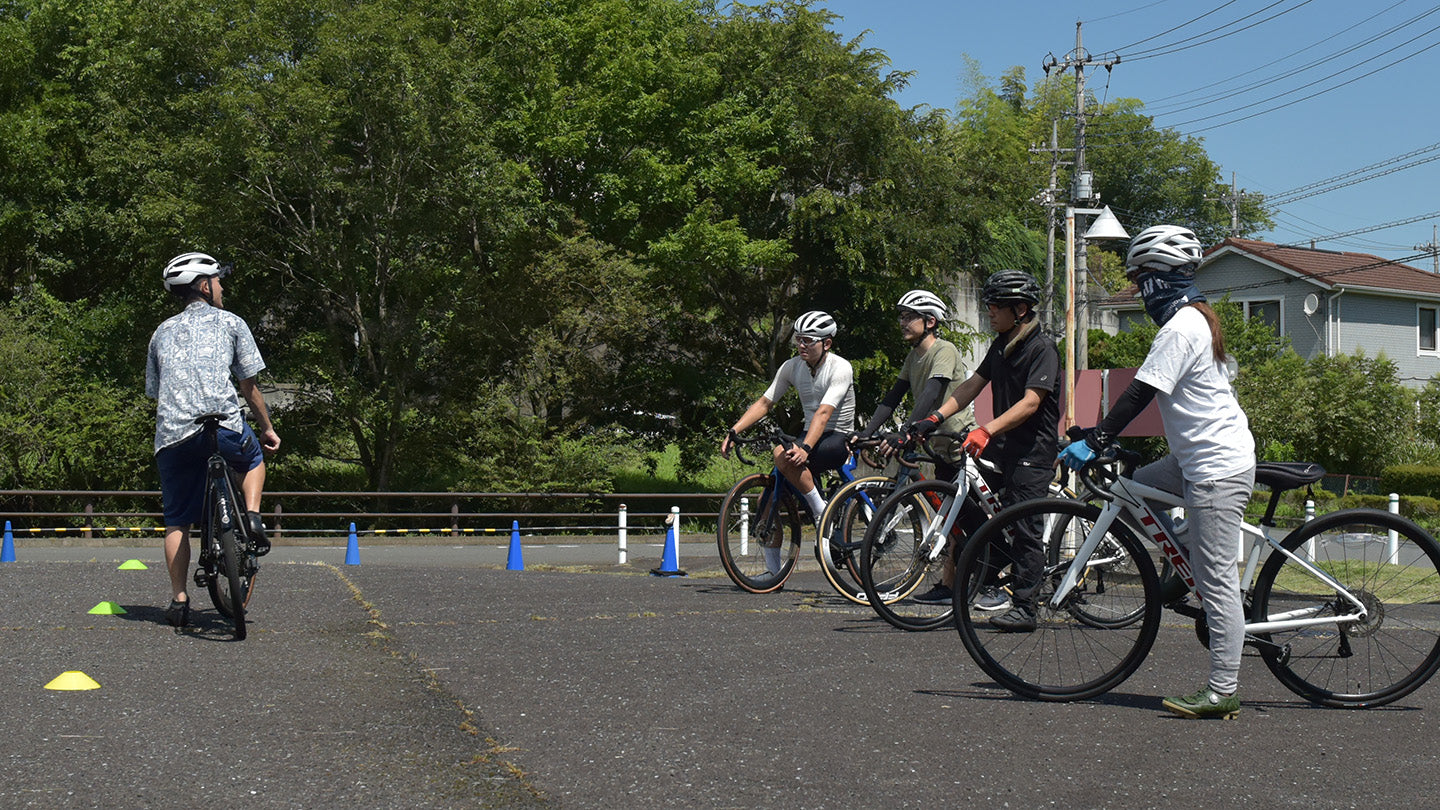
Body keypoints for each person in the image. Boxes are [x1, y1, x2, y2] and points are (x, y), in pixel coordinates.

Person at [1059, 224, 1255, 720]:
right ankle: (1184, 555)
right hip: (1195, 459)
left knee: (1217, 583)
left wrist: (1100, 438)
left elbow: (1142, 390)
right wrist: (1097, 431)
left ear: (1159, 277)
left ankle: (1222, 690)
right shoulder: (1196, 320)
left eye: (1139, 277)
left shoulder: (1182, 325)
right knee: (1136, 488)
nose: (1137, 289)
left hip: (1215, 467)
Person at [910, 270, 1061, 629]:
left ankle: (1026, 607)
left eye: (995, 306)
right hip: (1004, 447)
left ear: (1020, 309)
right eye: (988, 305)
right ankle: (988, 579)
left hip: (1033, 451)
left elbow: (1030, 404)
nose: (989, 311)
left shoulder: (1042, 348)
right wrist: (933, 418)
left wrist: (986, 430)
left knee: (1024, 528)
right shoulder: (1001, 344)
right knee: (986, 515)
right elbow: (971, 387)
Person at [146, 252, 282, 628]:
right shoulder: (231, 323)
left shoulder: (161, 332)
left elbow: (155, 390)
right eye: (218, 280)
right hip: (223, 427)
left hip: (174, 436)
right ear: (204, 286)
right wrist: (267, 428)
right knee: (254, 459)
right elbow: (249, 387)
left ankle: (178, 601)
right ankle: (252, 518)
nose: (222, 287)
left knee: (176, 520)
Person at [851, 289, 979, 605]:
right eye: (901, 316)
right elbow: (892, 398)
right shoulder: (913, 357)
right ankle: (950, 588)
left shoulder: (944, 350)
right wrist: (864, 433)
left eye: (909, 316)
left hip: (960, 444)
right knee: (952, 521)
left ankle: (986, 580)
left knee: (968, 519)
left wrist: (905, 432)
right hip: (938, 448)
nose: (902, 322)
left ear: (930, 321)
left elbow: (932, 395)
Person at [721, 311, 857, 574]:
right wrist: (733, 430)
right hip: (809, 433)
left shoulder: (841, 367)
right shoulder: (791, 367)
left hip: (837, 437)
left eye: (808, 340)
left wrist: (805, 448)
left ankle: (822, 515)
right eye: (798, 339)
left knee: (781, 453)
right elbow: (764, 403)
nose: (801, 345)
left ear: (826, 343)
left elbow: (824, 412)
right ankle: (774, 575)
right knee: (767, 501)